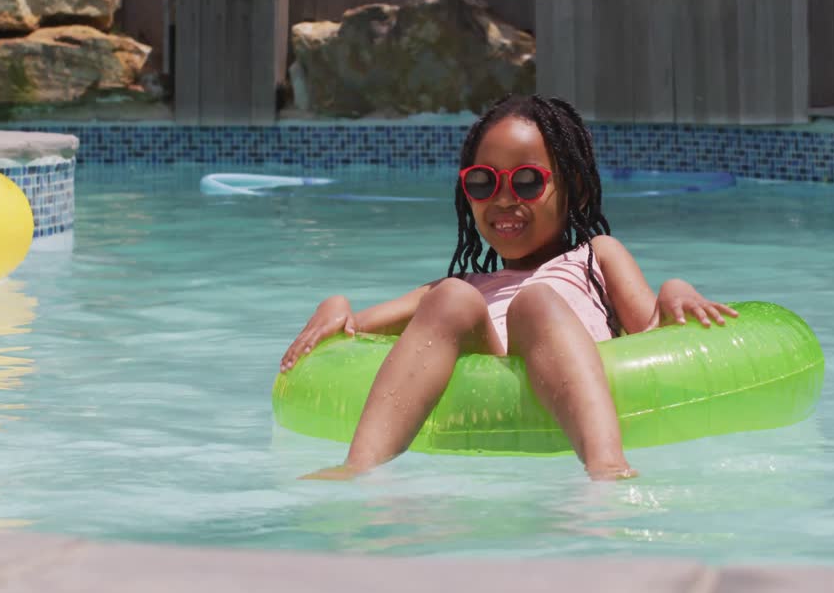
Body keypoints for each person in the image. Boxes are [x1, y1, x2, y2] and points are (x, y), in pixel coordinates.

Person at [281, 95, 737, 481]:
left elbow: (651, 331)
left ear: (575, 188)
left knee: (535, 303)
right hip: (490, 361)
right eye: (483, 183)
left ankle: (607, 466)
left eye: (527, 181)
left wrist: (675, 289)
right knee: (451, 297)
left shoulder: (597, 257)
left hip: (569, 369)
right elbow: (356, 329)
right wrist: (333, 305)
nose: (503, 199)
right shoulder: (464, 285)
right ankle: (359, 468)